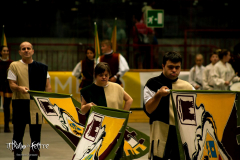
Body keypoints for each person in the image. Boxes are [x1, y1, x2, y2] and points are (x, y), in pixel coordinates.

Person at [143, 51, 194, 160]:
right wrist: (158, 95)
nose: (174, 70)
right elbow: (149, 110)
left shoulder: (188, 87)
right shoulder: (152, 84)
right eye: (170, 67)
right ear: (163, 66)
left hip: (181, 134)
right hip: (160, 132)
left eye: (177, 67)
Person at [7, 41, 52, 160]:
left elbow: (48, 87)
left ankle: (33, 158)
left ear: (32, 51)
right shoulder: (14, 66)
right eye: (23, 49)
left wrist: (48, 103)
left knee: (36, 135)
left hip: (36, 105)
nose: (26, 50)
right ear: (19, 52)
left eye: (28, 48)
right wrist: (19, 88)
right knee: (18, 134)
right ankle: (17, 157)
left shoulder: (42, 68)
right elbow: (11, 84)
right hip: (19, 103)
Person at [80, 62, 133, 160]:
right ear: (95, 75)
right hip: (96, 132)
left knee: (116, 156)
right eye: (101, 75)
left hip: (115, 129)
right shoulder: (87, 90)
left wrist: (123, 117)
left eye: (106, 75)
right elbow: (82, 111)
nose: (104, 77)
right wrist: (88, 106)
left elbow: (129, 100)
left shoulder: (117, 87)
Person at [0, 46, 13, 132]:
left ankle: (6, 126)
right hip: (0, 87)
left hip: (8, 88)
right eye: (4, 51)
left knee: (7, 107)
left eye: (7, 51)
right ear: (0, 52)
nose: (6, 52)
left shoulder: (11, 63)